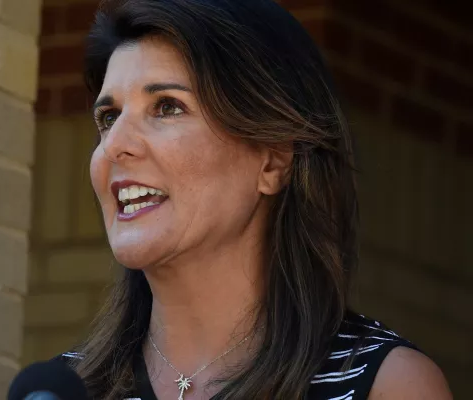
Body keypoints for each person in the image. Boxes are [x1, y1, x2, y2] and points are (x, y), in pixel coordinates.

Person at [57, 0, 453, 398]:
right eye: (109, 118)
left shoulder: (385, 385)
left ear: (273, 162)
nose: (114, 147)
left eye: (167, 107)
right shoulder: (63, 391)